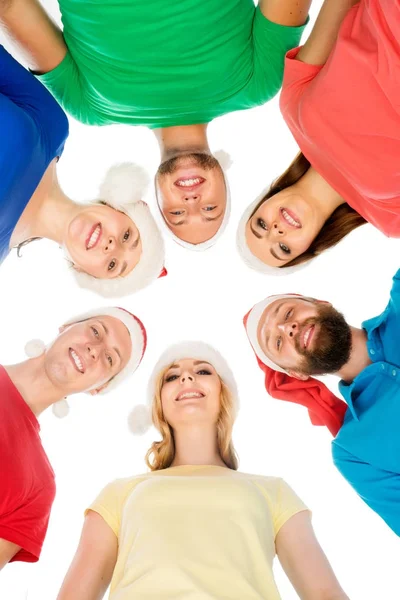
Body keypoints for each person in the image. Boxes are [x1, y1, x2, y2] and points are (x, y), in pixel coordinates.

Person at [0, 0, 310, 248]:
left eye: (177, 214)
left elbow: (12, 8)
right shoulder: (259, 83)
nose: (192, 203)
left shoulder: (88, 106)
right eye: (209, 210)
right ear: (226, 185)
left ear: (155, 197)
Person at [57, 341, 348, 600]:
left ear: (223, 394)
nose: (186, 377)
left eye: (203, 371)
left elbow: (324, 593)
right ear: (159, 405)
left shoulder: (275, 491)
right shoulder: (119, 492)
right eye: (171, 376)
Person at [237, 0, 400, 273]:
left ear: (262, 202)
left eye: (260, 225)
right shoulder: (390, 219)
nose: (276, 231)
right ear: (311, 248)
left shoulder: (291, 109)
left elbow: (337, 9)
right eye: (284, 248)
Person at [0, 45, 165, 296]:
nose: (112, 246)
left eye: (112, 265)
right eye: (127, 235)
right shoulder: (53, 126)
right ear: (118, 207)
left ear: (84, 272)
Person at [243, 277, 400, 536]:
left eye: (288, 312)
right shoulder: (353, 452)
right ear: (296, 374)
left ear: (320, 303)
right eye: (277, 343)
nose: (287, 328)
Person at [0, 306, 147, 569]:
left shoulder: (38, 489)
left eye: (110, 359)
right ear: (65, 327)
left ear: (99, 388)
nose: (95, 349)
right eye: (96, 331)